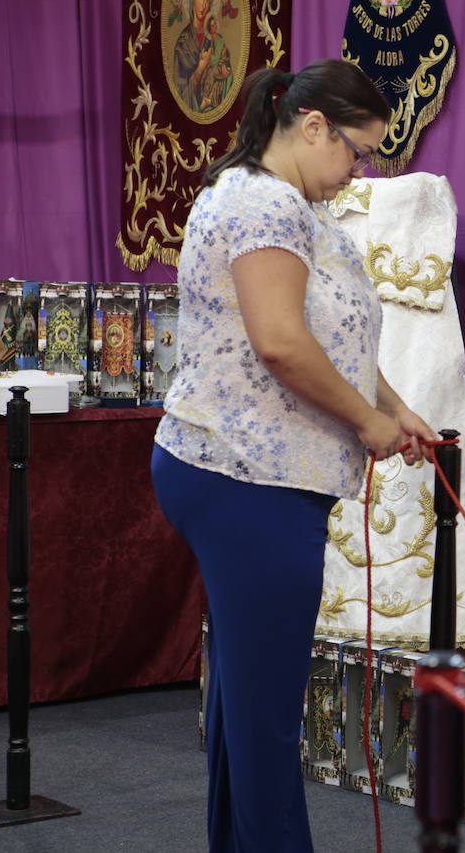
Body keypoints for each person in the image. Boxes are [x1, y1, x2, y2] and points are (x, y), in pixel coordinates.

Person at [150, 59, 431, 852]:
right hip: (246, 477)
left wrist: (394, 409)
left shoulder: (287, 203)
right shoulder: (263, 203)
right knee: (269, 720)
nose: (359, 171)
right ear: (313, 127)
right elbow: (280, 344)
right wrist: (365, 426)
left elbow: (331, 331)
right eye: (357, 152)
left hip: (250, 472)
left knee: (246, 705)